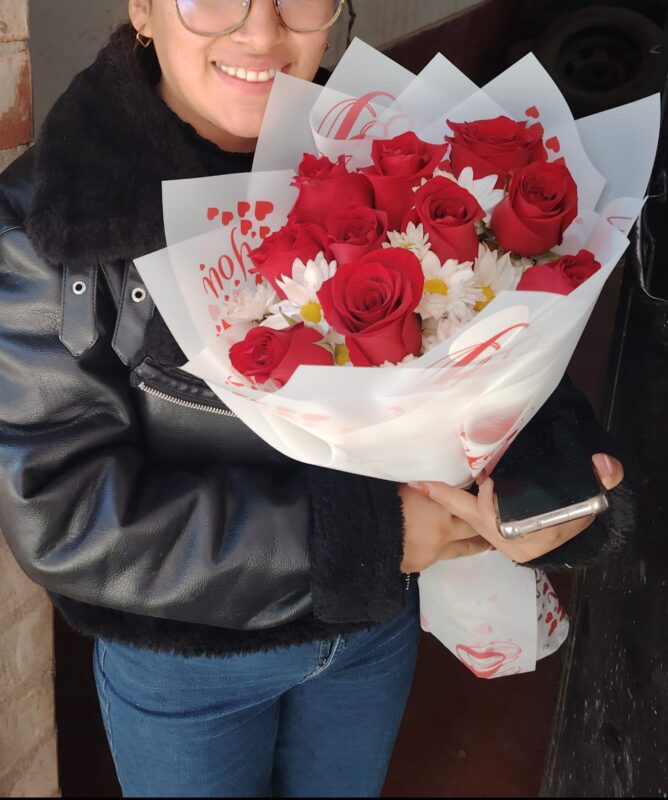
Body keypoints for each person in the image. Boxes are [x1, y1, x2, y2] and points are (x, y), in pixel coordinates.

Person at [0, 0, 630, 796]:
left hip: (370, 633)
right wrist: (370, 541)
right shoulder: (45, 219)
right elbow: (65, 515)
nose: (262, 32)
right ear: (144, 10)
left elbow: (495, 343)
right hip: (188, 667)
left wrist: (545, 477)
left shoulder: (392, 147)